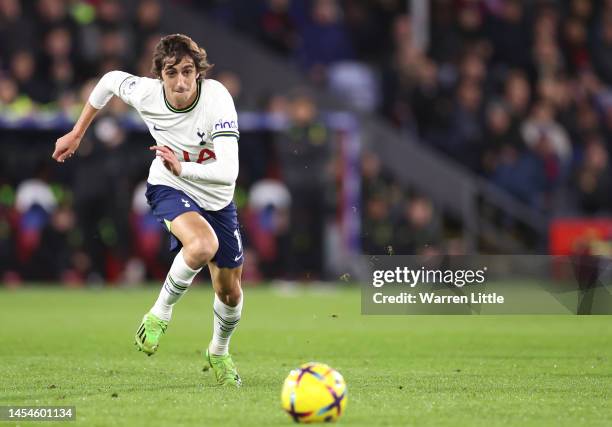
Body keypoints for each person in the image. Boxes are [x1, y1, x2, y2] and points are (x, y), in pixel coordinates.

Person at [52, 34, 244, 387]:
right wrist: (78, 133)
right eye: (172, 73)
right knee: (202, 246)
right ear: (160, 76)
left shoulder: (217, 99)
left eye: (188, 71)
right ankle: (160, 313)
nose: (181, 81)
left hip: (216, 195)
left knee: (229, 291)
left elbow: (227, 171)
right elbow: (108, 81)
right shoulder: (146, 93)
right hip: (170, 185)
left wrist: (183, 167)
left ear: (198, 72)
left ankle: (218, 350)